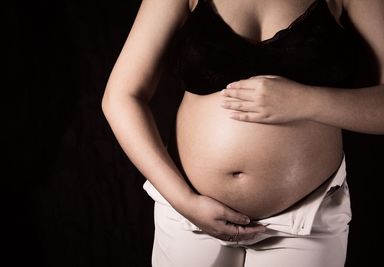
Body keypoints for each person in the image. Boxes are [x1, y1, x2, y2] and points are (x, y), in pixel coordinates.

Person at [101, 0, 384, 266]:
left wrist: (306, 102)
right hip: (189, 215)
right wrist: (184, 201)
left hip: (304, 221)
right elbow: (121, 96)